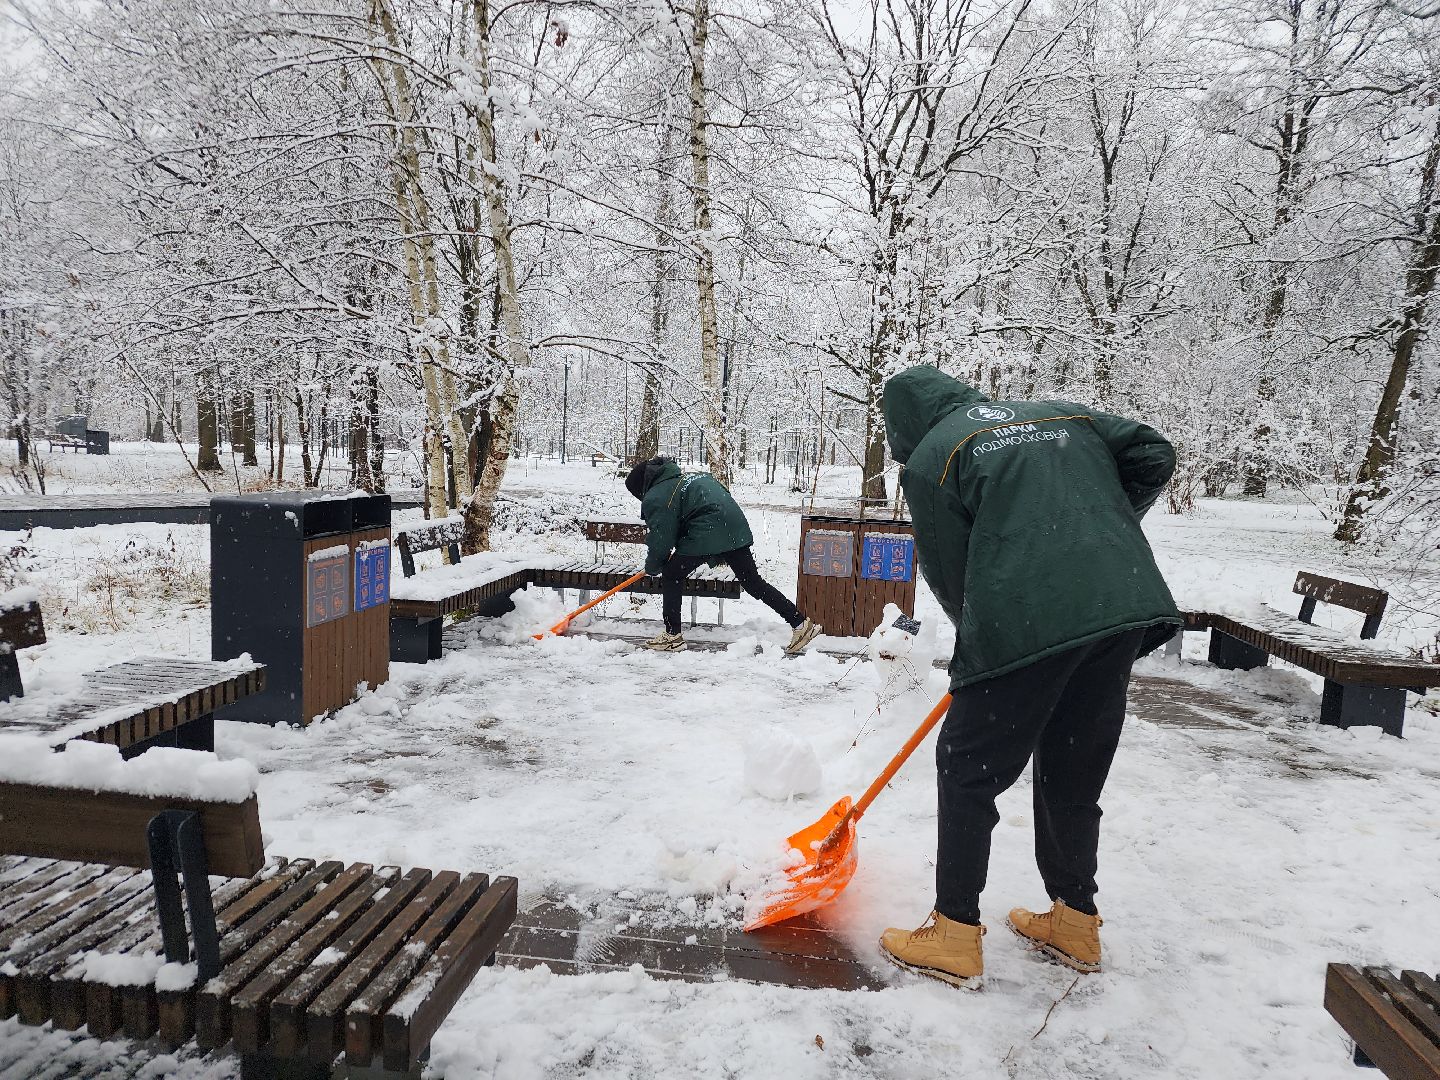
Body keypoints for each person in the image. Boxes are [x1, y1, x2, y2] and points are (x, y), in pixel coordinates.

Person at [875, 365, 1181, 988]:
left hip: (1028, 616)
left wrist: (983, 641)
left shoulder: (934, 456)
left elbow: (950, 570)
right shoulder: (1057, 413)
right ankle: (1075, 922)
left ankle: (954, 933)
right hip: (1119, 605)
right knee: (1073, 759)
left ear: (902, 425)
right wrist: (1096, 527)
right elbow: (1153, 452)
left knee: (967, 767)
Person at [624, 456, 820, 655]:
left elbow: (661, 537)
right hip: (732, 526)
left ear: (642, 487)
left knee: (671, 574)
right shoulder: (690, 477)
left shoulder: (656, 495)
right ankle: (800, 623)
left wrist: (653, 566)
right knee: (753, 582)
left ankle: (672, 636)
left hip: (708, 530)